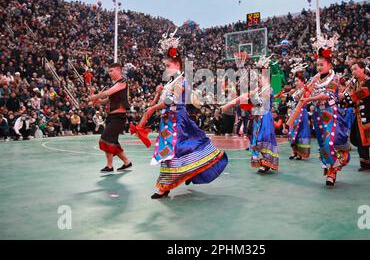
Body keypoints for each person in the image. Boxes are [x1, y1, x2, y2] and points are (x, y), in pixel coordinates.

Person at [138, 31, 228, 199]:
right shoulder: (169, 83)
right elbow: (160, 102)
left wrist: (153, 109)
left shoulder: (181, 81)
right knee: (172, 151)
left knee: (172, 151)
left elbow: (171, 100)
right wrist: (157, 95)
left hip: (176, 120)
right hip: (168, 121)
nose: (165, 68)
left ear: (177, 65)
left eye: (168, 65)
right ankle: (176, 180)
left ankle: (164, 187)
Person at [299, 36, 350, 186]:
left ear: (329, 64)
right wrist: (302, 94)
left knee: (330, 142)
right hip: (318, 114)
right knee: (323, 145)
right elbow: (305, 91)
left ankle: (334, 170)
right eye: (317, 65)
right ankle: (330, 172)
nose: (319, 68)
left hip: (331, 113)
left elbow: (327, 95)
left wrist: (308, 100)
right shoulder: (316, 78)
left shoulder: (334, 78)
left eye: (322, 65)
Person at [222, 55, 279, 174]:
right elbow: (244, 97)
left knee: (262, 139)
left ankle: (266, 163)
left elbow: (258, 102)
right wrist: (229, 104)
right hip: (257, 118)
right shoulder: (258, 90)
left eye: (261, 77)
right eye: (259, 77)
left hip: (265, 118)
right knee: (255, 139)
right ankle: (263, 162)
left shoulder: (268, 89)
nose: (258, 79)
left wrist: (247, 100)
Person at [88, 63, 132, 173]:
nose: (110, 73)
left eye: (112, 71)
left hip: (119, 117)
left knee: (106, 138)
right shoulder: (116, 84)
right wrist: (97, 101)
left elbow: (107, 93)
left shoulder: (122, 82)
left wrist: (95, 96)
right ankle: (127, 162)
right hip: (112, 116)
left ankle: (110, 165)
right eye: (109, 71)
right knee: (113, 141)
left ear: (119, 70)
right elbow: (108, 100)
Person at [340, 61, 370, 172]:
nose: (353, 72)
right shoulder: (354, 84)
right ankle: (365, 164)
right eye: (352, 70)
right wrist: (342, 101)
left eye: (355, 69)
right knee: (360, 140)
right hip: (359, 116)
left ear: (363, 69)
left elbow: (363, 93)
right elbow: (351, 101)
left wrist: (346, 95)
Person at [287, 63, 311, 160]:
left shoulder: (306, 91)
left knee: (301, 132)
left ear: (302, 82)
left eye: (297, 81)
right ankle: (294, 152)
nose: (295, 83)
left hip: (301, 113)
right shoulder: (295, 91)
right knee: (292, 132)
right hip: (294, 113)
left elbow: (303, 101)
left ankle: (301, 153)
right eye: (295, 81)